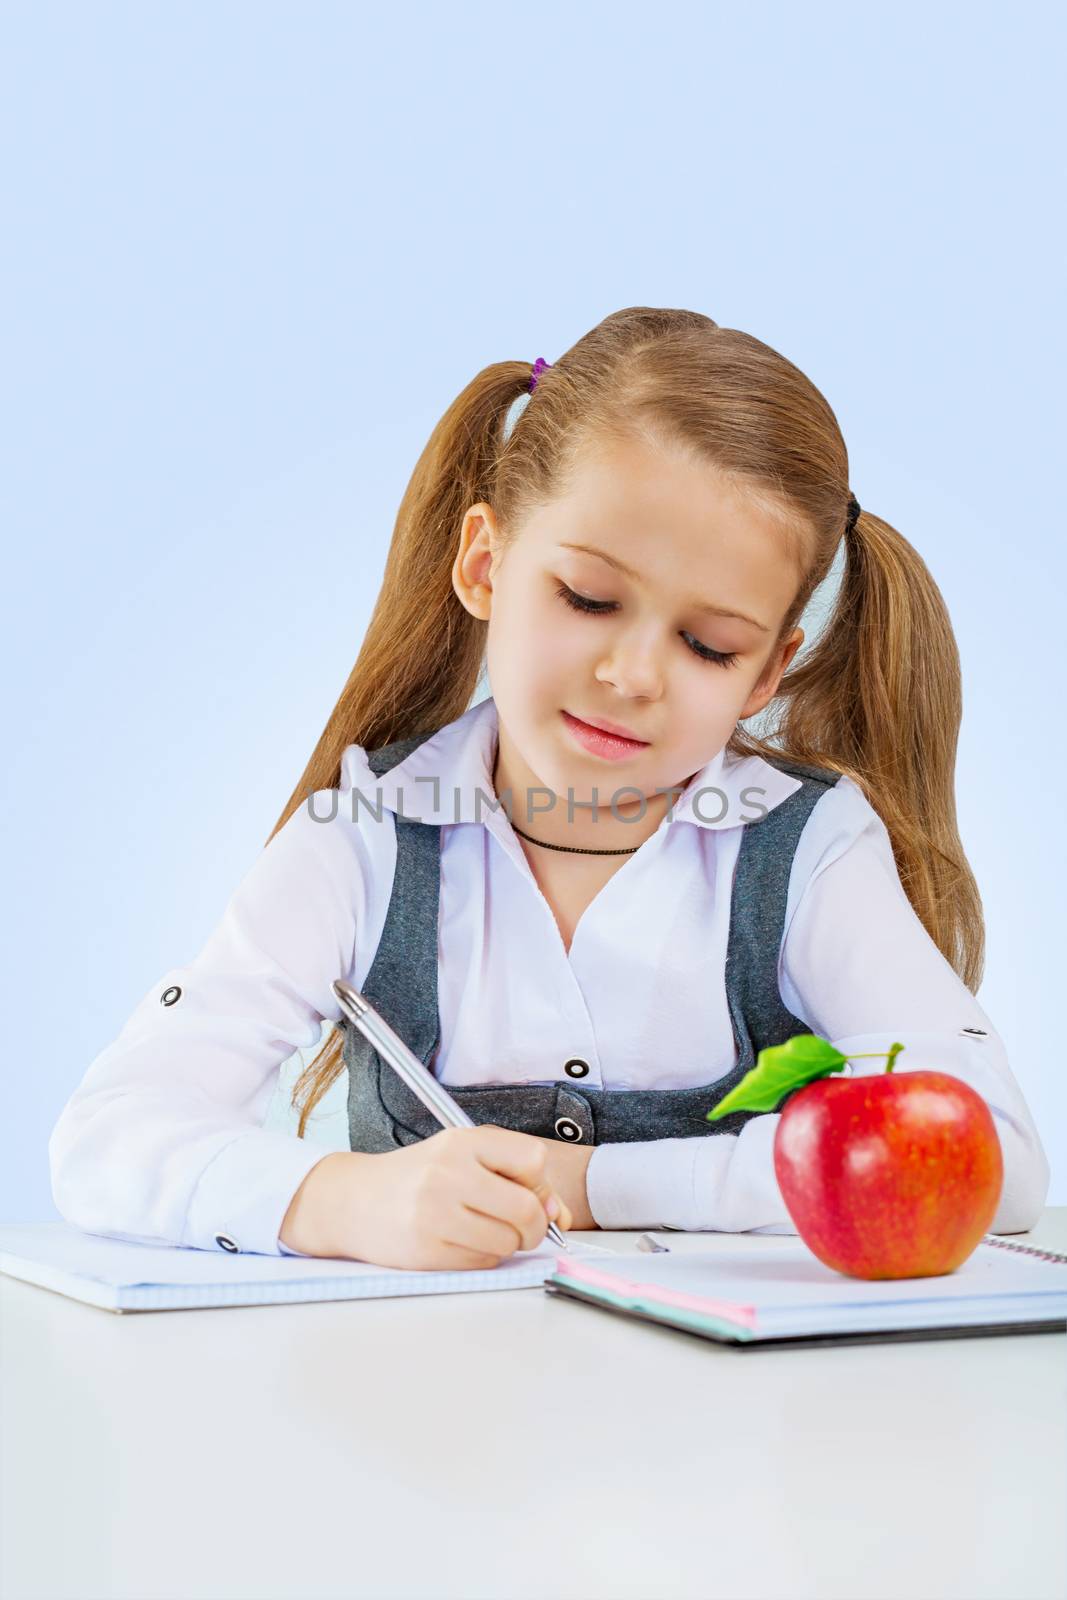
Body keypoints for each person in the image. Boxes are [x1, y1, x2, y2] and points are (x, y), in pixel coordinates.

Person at [48, 306, 1050, 1272]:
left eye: (706, 646)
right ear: (484, 564)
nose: (632, 674)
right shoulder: (359, 837)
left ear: (763, 675)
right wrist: (344, 1200)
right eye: (586, 598)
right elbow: (107, 1138)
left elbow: (990, 1153)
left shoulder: (806, 845)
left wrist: (592, 1182)